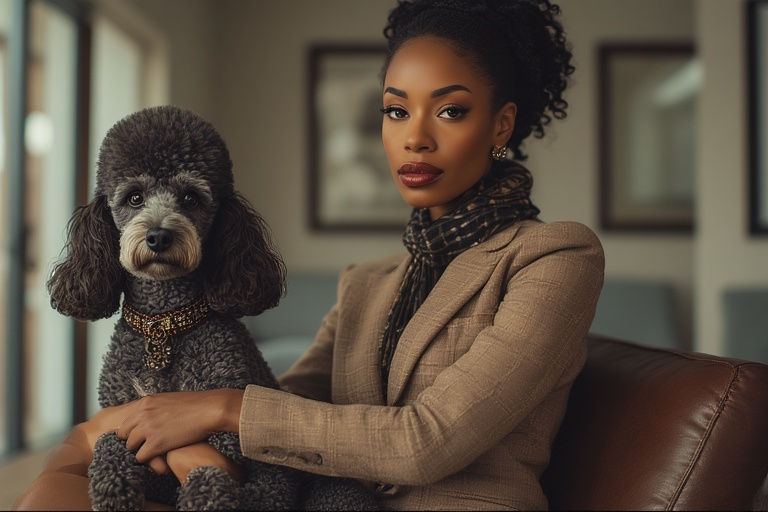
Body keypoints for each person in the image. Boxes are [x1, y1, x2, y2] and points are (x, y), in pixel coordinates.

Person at [15, 0, 604, 509]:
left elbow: (428, 441)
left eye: (450, 110)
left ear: (501, 125)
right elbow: (282, 408)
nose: (415, 137)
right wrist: (190, 441)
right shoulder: (367, 282)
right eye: (396, 110)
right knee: (53, 491)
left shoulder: (553, 258)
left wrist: (218, 409)